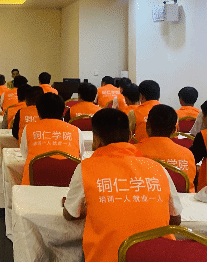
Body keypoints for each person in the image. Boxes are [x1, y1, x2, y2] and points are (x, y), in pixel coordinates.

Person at [63, 108, 182, 262]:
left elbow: (70, 214)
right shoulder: (157, 168)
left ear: (96, 139)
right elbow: (175, 219)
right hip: (159, 257)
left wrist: (92, 206)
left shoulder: (85, 169)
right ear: (130, 136)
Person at [20, 93, 85, 185]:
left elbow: (24, 154)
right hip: (69, 185)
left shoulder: (29, 129)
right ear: (63, 112)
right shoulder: (76, 131)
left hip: (33, 184)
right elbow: (80, 156)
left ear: (38, 112)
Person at [135, 104, 196, 192]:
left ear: (147, 125)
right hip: (180, 200)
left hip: (145, 198)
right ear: (174, 130)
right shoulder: (188, 155)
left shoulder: (133, 153)